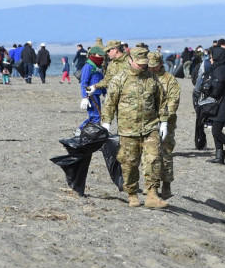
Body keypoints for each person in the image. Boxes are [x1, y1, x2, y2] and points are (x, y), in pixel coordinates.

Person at [101, 47, 169, 209]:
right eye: (139, 64)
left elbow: (161, 101)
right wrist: (106, 123)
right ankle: (132, 194)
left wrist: (164, 121)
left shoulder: (152, 78)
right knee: (130, 163)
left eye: (145, 64)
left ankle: (152, 194)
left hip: (150, 127)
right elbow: (110, 103)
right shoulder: (120, 79)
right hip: (128, 130)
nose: (142, 66)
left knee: (153, 160)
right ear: (130, 60)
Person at [148, 52, 181, 200]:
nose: (152, 69)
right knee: (149, 155)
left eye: (154, 66)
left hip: (166, 122)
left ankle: (166, 185)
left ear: (161, 64)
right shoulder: (146, 78)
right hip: (148, 121)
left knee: (165, 153)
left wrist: (165, 120)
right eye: (150, 66)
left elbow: (173, 102)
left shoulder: (170, 80)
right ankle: (150, 186)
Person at [75, 46, 107, 136]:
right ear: (93, 55)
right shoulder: (88, 67)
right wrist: (85, 97)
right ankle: (80, 130)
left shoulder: (100, 67)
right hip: (91, 95)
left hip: (97, 94)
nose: (102, 57)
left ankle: (92, 132)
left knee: (97, 116)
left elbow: (102, 81)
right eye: (99, 55)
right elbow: (84, 82)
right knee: (95, 116)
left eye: (102, 55)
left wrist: (105, 93)